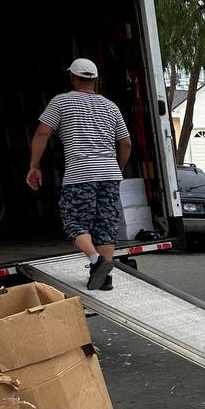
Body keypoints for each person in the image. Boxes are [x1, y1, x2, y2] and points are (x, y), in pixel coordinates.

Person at [26, 58, 131, 291]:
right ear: (95, 80)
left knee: (74, 220)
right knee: (106, 225)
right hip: (110, 173)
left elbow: (43, 133)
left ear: (73, 78)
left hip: (80, 174)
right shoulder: (111, 106)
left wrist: (34, 165)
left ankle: (96, 261)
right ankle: (105, 278)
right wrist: (118, 169)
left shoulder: (61, 102)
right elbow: (125, 143)